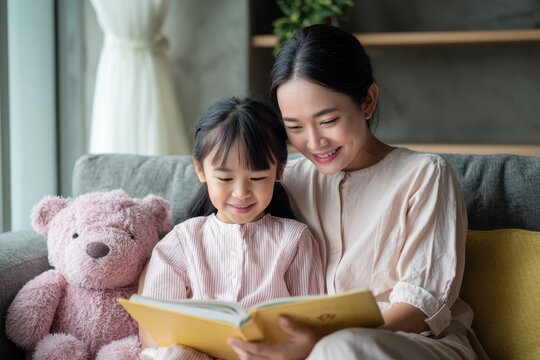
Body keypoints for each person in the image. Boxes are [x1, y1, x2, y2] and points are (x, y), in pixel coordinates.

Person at [227, 24, 488, 360]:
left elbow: (420, 307)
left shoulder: (424, 175)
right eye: (295, 128)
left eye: (328, 120)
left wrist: (318, 342)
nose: (314, 142)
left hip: (417, 345)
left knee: (339, 348)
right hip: (304, 349)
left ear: (367, 101)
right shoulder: (286, 180)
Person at [139, 97, 324, 360]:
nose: (241, 193)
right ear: (200, 170)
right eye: (225, 178)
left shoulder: (294, 240)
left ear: (279, 171)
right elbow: (156, 329)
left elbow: (311, 321)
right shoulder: (181, 242)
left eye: (257, 178)